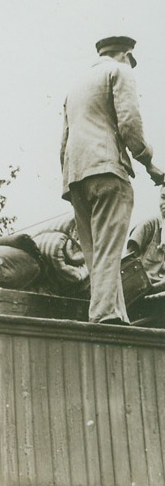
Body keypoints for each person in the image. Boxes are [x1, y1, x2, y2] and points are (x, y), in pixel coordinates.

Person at [61, 35, 165, 324]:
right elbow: (130, 122)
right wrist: (149, 162)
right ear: (125, 55)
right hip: (108, 172)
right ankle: (107, 316)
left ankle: (114, 313)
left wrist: (69, 181)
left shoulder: (76, 86)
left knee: (95, 254)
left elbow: (64, 141)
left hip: (76, 177)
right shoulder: (120, 72)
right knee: (109, 250)